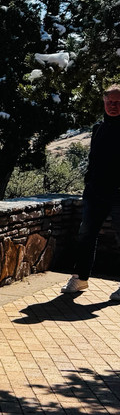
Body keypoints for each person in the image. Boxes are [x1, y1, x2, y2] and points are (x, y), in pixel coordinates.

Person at [63, 84, 120, 296]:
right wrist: (89, 183)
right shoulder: (98, 128)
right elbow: (94, 160)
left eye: (117, 102)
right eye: (109, 102)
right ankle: (81, 279)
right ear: (104, 102)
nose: (113, 106)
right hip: (96, 191)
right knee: (86, 234)